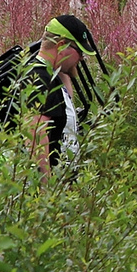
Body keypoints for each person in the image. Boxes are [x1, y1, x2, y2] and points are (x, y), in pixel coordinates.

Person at [25, 14, 104, 177]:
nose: (82, 58)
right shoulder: (40, 80)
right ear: (61, 46)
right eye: (79, 51)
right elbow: (35, 135)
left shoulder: (53, 77)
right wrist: (46, 189)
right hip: (49, 192)